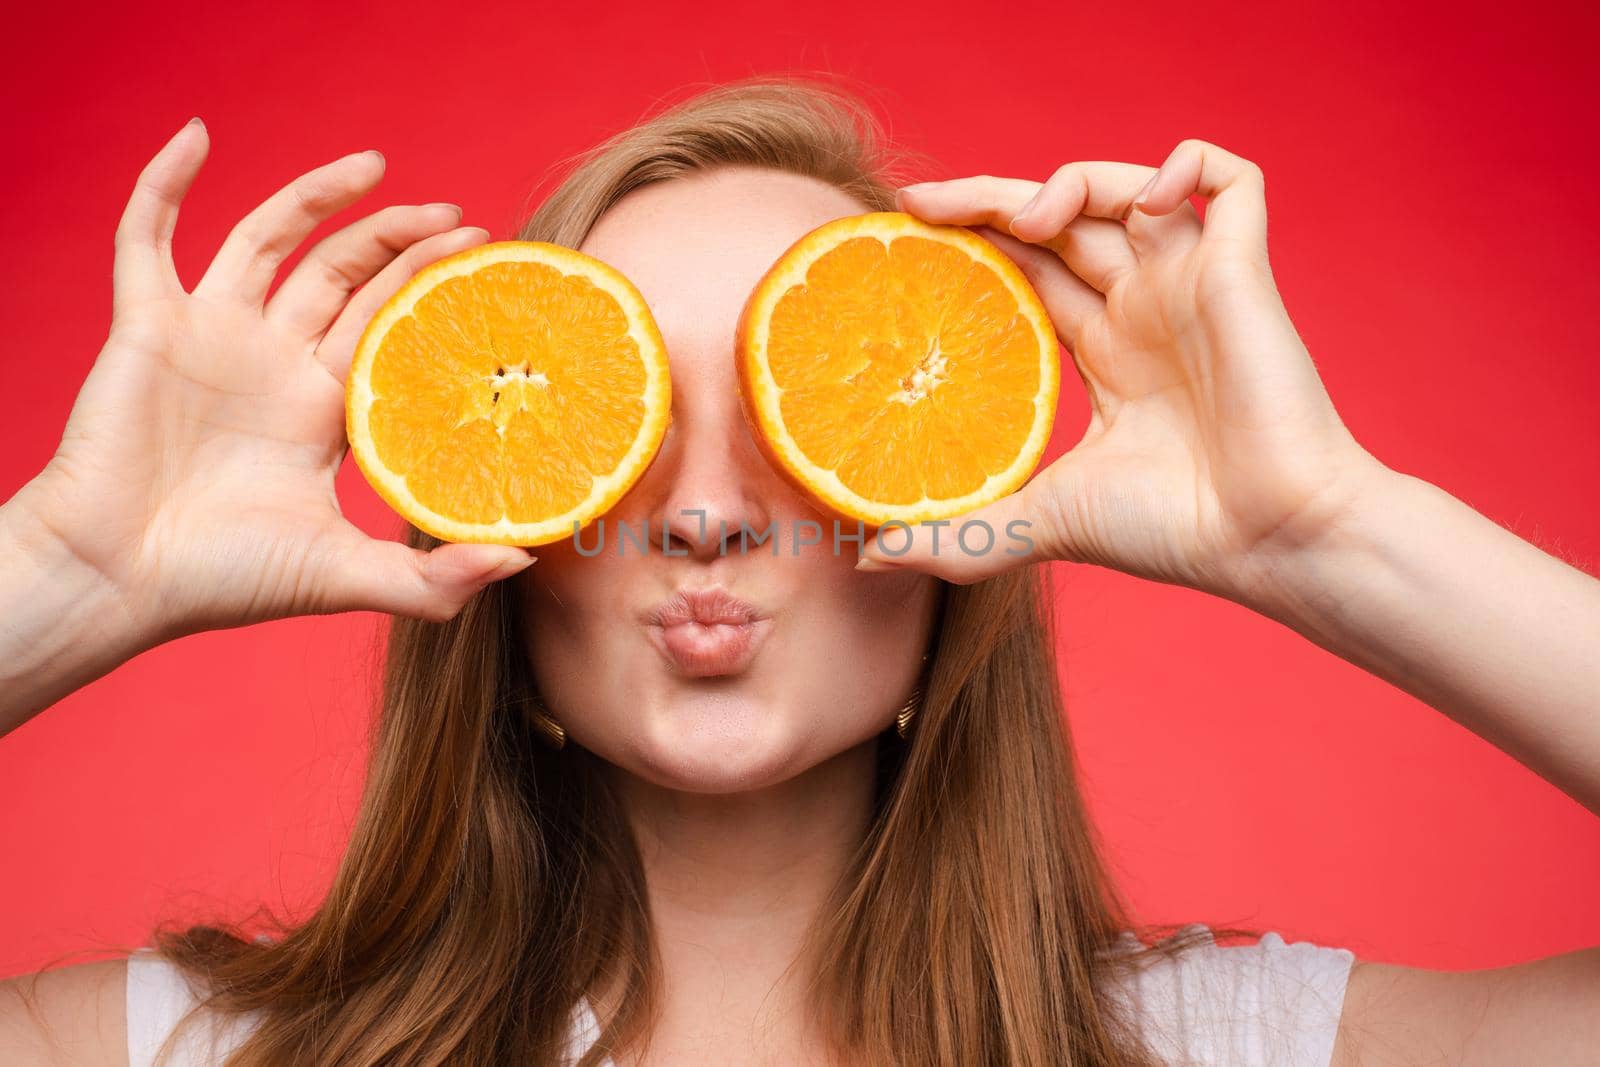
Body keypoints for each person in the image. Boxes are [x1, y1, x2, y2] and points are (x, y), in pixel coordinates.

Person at [1, 76, 1596, 1066]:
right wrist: (79, 570)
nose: (704, 517)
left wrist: (1324, 529)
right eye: (620, 423)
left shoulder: (1233, 1053)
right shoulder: (188, 1055)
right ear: (493, 532)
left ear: (949, 526)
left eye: (792, 417)